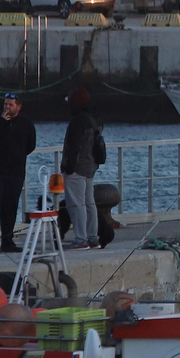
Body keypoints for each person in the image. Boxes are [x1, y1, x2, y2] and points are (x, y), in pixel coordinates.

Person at [0, 92, 36, 253]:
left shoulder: (26, 124)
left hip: (16, 172)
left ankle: (7, 240)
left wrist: (18, 156)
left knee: (10, 207)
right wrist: (1, 123)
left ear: (18, 107)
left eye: (10, 105)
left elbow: (31, 145)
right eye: (5, 104)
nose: (7, 107)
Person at [60, 87, 103, 250]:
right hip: (91, 167)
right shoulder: (96, 120)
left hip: (77, 169)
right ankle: (93, 238)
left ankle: (80, 239)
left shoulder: (78, 122)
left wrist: (68, 167)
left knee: (76, 204)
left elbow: (74, 146)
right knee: (89, 203)